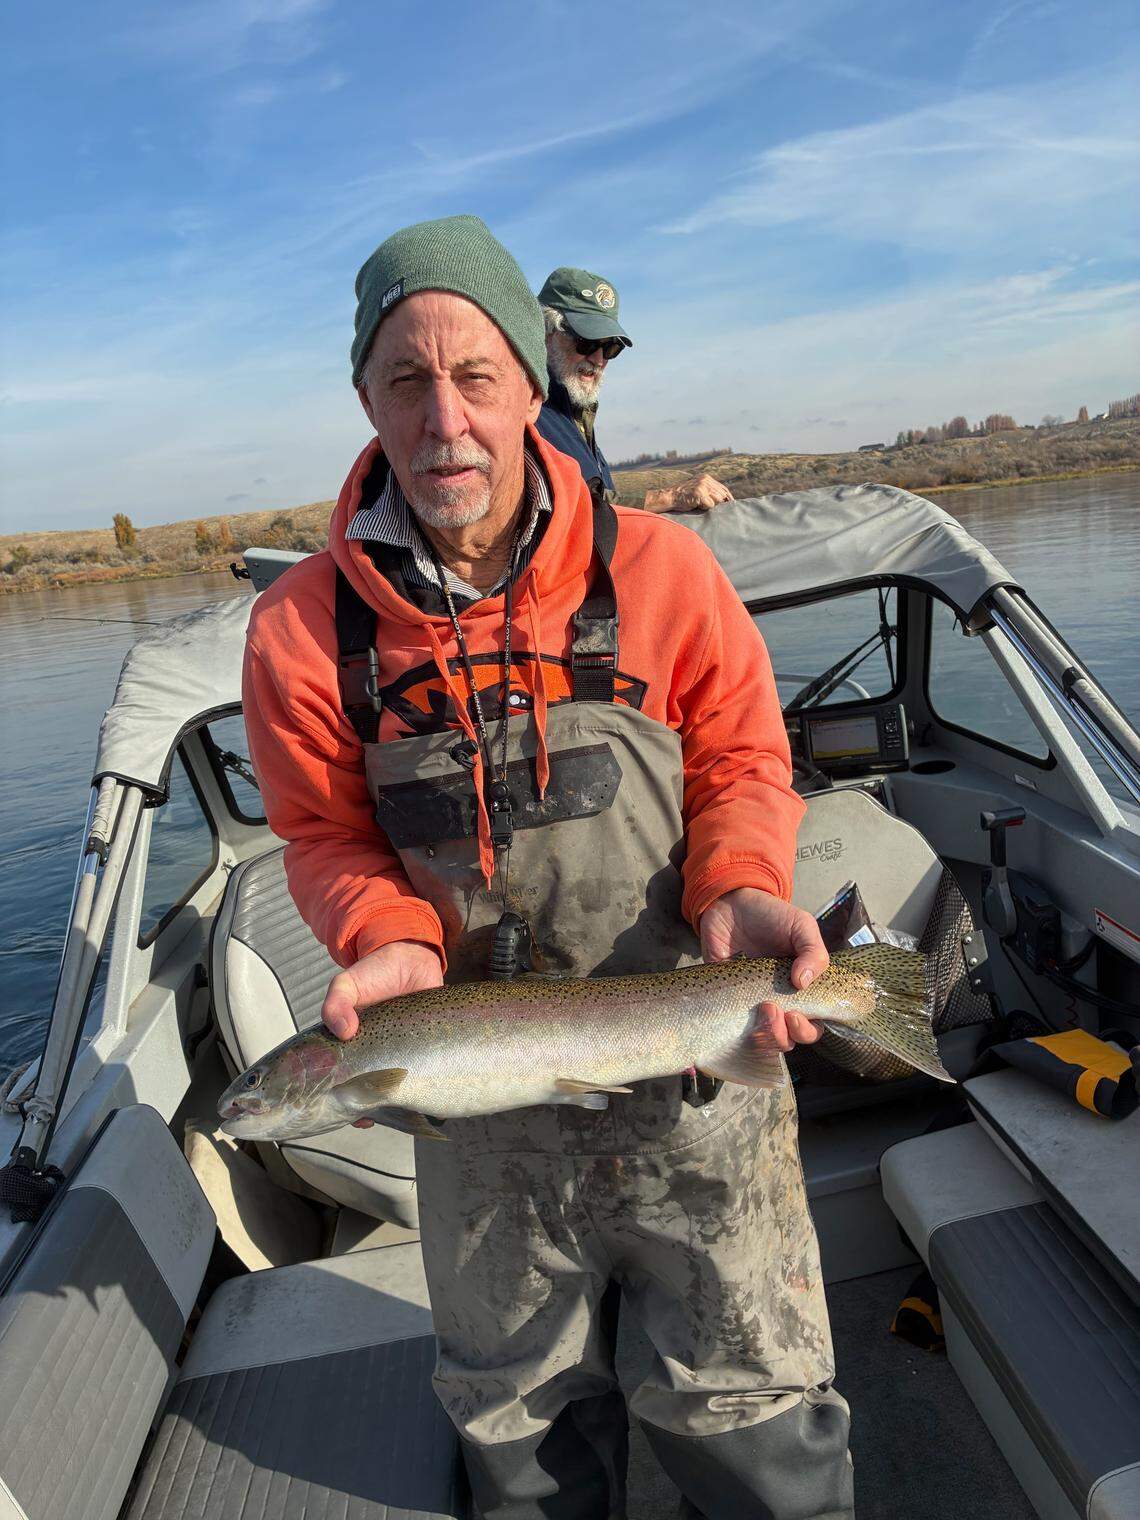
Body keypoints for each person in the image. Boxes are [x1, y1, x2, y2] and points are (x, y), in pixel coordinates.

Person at [243, 213, 853, 1520]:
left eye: (475, 376)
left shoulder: (666, 571)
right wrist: (385, 938)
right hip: (480, 1126)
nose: (444, 418)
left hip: (692, 1070)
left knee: (748, 1408)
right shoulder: (301, 631)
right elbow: (324, 835)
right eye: (405, 379)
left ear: (533, 383)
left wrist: (743, 887)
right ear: (364, 396)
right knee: (522, 1433)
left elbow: (745, 760)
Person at [536, 265, 736, 511]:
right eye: (587, 342)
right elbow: (577, 506)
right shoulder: (527, 412)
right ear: (545, 332)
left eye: (611, 347)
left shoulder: (571, 414)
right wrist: (670, 497)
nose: (599, 360)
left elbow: (595, 497)